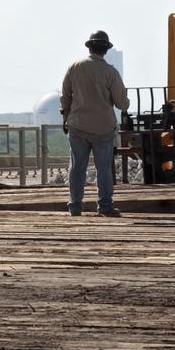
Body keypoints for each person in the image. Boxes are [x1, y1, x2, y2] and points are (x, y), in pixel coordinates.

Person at [61, 30, 130, 217]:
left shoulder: (74, 67)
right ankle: (105, 206)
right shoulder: (111, 72)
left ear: (89, 47)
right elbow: (122, 104)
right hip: (103, 128)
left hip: (78, 125)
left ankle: (75, 205)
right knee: (103, 168)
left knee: (77, 167)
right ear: (105, 50)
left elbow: (65, 96)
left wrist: (65, 118)